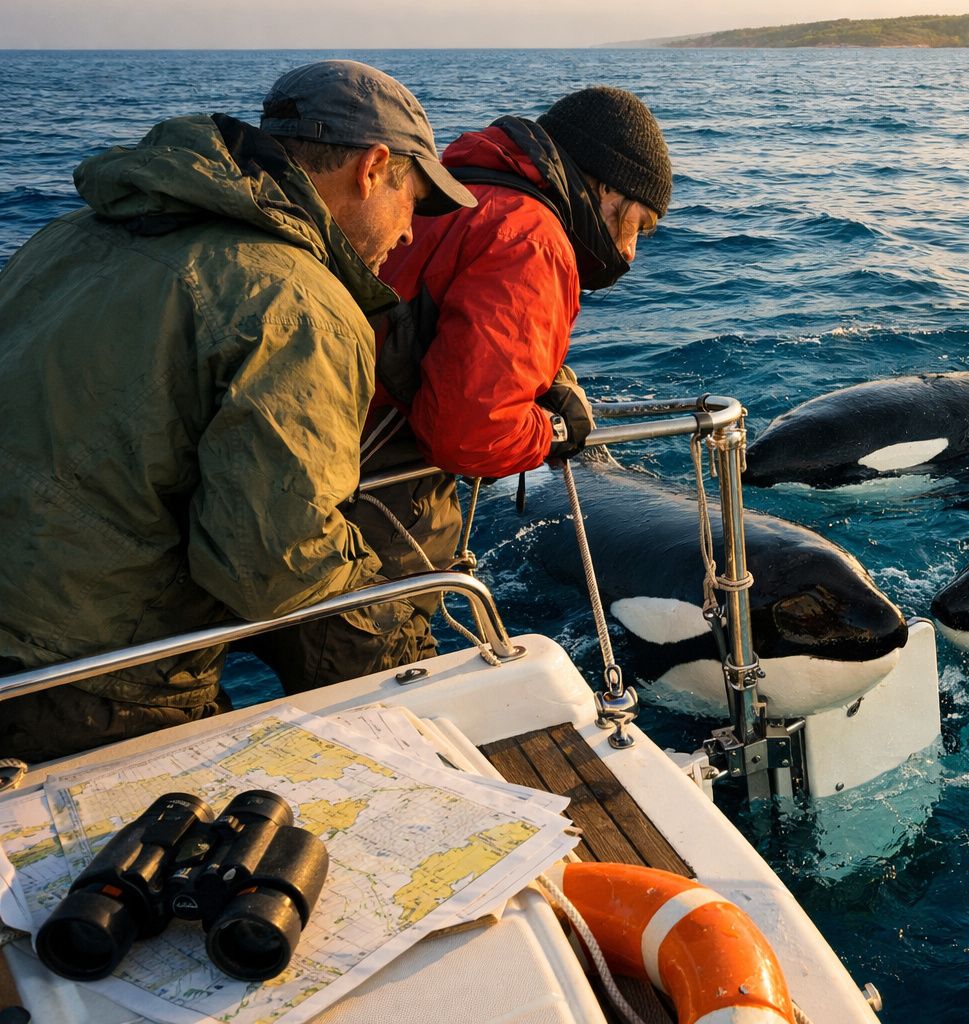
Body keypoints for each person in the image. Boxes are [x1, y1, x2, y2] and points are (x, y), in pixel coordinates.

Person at [0, 60, 477, 763]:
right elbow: (276, 565)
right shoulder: (297, 302)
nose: (410, 235)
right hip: (101, 679)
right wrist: (409, 652)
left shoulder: (70, 236)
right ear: (373, 168)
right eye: (414, 201)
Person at [251, 86, 672, 694]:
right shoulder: (529, 235)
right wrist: (555, 430)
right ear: (604, 187)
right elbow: (472, 435)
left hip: (287, 487)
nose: (628, 251)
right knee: (391, 707)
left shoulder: (457, 193)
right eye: (637, 225)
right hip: (369, 523)